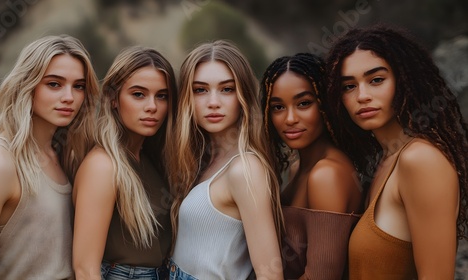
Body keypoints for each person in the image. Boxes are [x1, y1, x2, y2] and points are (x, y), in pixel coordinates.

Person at [322, 24, 468, 279]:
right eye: (349, 86)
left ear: (404, 80)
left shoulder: (420, 160)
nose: (362, 96)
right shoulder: (386, 161)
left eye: (376, 80)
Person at [0, 34, 99, 279]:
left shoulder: (68, 156)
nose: (69, 97)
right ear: (26, 84)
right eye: (54, 84)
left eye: (78, 86)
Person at [166, 40, 284, 279]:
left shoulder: (246, 168)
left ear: (243, 96)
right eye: (200, 90)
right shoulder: (204, 161)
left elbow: (270, 273)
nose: (213, 102)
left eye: (227, 89)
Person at [72, 46, 177, 280]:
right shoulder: (102, 166)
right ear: (113, 99)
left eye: (162, 96)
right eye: (138, 94)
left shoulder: (150, 158)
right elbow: (85, 269)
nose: (152, 106)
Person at [260, 52, 362, 279]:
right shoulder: (299, 167)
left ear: (325, 105)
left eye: (304, 103)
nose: (290, 119)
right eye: (278, 107)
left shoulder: (326, 175)